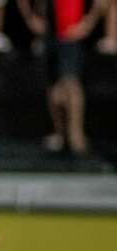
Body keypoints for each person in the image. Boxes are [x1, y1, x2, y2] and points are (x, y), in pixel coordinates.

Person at [17, 0, 112, 155]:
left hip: (69, 33)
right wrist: (30, 18)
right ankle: (60, 134)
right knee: (53, 86)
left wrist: (87, 23)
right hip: (49, 33)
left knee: (71, 82)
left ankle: (76, 135)